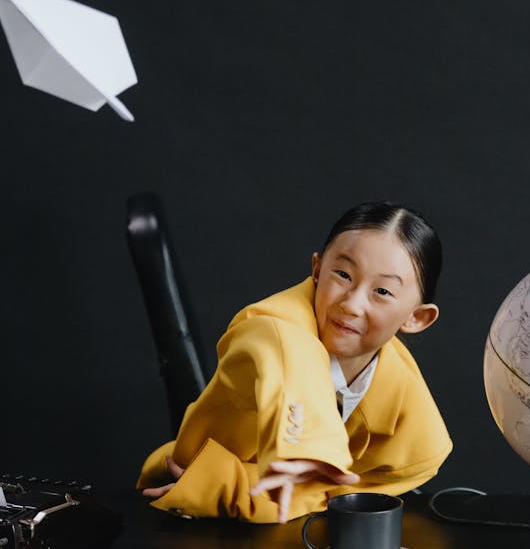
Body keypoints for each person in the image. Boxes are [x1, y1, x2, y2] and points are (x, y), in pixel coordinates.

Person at [137, 200, 452, 523]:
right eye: (343, 274)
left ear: (416, 317)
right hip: (182, 504)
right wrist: (312, 449)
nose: (352, 304)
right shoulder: (268, 325)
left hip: (295, 533)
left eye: (382, 292)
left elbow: (342, 495)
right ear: (316, 270)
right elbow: (290, 358)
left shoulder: (417, 431)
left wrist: (231, 485)